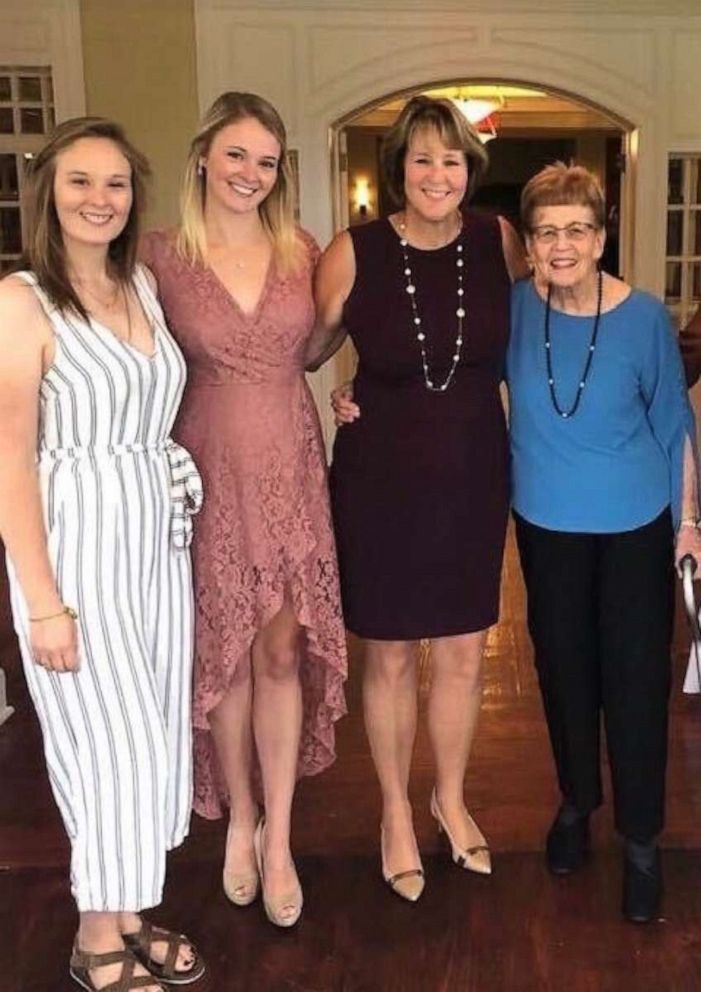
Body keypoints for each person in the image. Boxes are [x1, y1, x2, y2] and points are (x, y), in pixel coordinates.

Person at [0, 118, 205, 991]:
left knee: (151, 734)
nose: (98, 199)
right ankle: (93, 938)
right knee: (102, 742)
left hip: (153, 548)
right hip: (75, 547)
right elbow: (7, 453)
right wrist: (42, 602)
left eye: (115, 184)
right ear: (48, 192)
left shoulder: (142, 285)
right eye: (79, 182)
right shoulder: (20, 301)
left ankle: (127, 910)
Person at [310, 95, 528, 902]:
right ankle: (394, 813)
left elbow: (544, 320)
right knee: (392, 653)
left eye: (452, 160)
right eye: (421, 159)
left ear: (470, 170)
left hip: (473, 468)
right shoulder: (352, 250)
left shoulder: (498, 241)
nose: (437, 174)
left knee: (466, 650)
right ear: (396, 168)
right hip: (380, 477)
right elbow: (302, 347)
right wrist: (338, 391)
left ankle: (452, 797)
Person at [141, 92, 347, 928]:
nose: (250, 174)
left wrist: (356, 394)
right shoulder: (156, 255)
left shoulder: (300, 248)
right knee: (221, 655)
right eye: (236, 156)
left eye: (266, 161)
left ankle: (282, 836)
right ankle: (239, 823)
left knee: (280, 649)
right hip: (205, 467)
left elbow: (325, 338)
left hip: (292, 463)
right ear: (202, 157)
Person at [508, 163, 701, 923]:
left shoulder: (644, 317)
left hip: (634, 523)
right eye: (546, 231)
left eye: (577, 230)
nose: (562, 245)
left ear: (600, 236)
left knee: (632, 682)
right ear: (527, 242)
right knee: (562, 674)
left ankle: (642, 837)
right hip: (545, 525)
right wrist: (362, 397)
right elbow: (446, 383)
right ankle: (575, 802)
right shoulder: (514, 311)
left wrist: (688, 521)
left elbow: (673, 426)